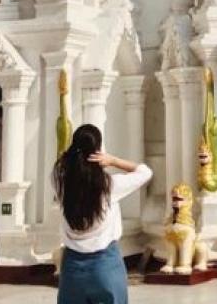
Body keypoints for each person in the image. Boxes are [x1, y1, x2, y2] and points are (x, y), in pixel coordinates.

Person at [53, 124, 152, 304]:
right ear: (98, 152)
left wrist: (72, 157)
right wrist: (113, 160)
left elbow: (62, 162)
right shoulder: (109, 187)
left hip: (72, 268)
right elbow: (145, 172)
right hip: (105, 265)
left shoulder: (61, 183)